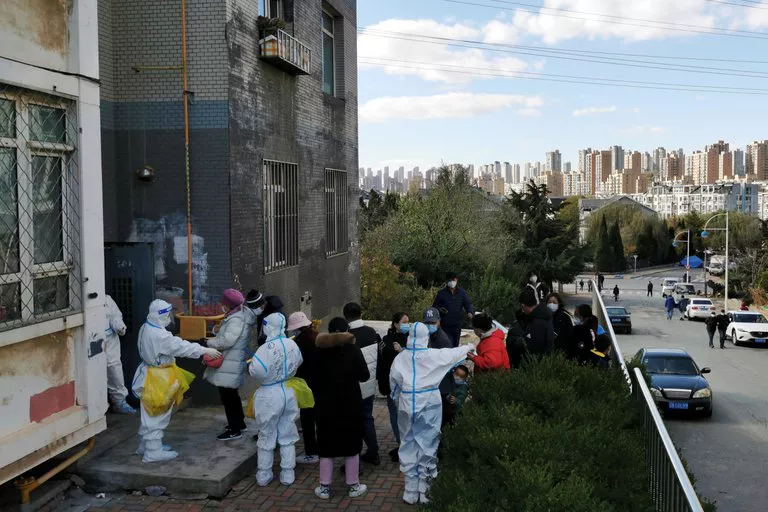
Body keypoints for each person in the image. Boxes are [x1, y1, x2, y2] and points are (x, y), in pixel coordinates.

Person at [390, 322, 475, 505]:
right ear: (425, 337)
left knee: (408, 442)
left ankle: (410, 491)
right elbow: (451, 354)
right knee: (428, 443)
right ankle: (425, 490)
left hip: (407, 402)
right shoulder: (432, 355)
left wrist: (398, 401)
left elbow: (394, 384)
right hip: (429, 402)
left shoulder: (400, 358)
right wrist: (468, 346)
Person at [132, 300, 222, 463]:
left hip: (149, 374)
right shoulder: (160, 336)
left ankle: (146, 446)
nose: (169, 318)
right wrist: (205, 350)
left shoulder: (146, 327)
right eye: (167, 315)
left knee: (148, 412)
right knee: (157, 414)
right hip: (159, 378)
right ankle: (153, 452)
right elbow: (181, 347)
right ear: (160, 316)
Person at [313, 318, 369, 500]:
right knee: (352, 443)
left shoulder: (319, 351)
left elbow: (312, 377)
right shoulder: (353, 350)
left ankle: (324, 487)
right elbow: (364, 375)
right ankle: (353, 485)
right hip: (350, 403)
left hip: (325, 404)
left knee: (326, 444)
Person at [248, 313, 303, 487]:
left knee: (266, 434)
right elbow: (299, 361)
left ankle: (264, 474)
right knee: (287, 432)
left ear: (268, 326)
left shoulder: (265, 349)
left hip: (269, 394)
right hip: (288, 390)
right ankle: (288, 473)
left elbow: (257, 370)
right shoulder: (292, 343)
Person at [204, 289, 257, 441]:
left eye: (223, 303)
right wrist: (217, 331)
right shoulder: (240, 313)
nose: (221, 305)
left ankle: (235, 430)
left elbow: (227, 341)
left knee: (228, 397)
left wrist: (209, 342)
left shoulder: (236, 319)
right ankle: (239, 424)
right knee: (232, 395)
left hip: (230, 362)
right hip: (233, 361)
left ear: (229, 304)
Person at [343, 302, 381, 466]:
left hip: (352, 387)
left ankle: (353, 458)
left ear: (346, 316)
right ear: (361, 314)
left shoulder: (347, 336)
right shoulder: (371, 332)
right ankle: (373, 452)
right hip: (369, 383)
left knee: (352, 423)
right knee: (367, 418)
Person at [287, 312, 320, 464]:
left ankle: (311, 452)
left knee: (307, 419)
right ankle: (322, 448)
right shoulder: (317, 336)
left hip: (306, 384)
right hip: (320, 383)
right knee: (319, 417)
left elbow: (295, 365)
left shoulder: (299, 342)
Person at [378, 312, 408, 463]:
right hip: (392, 386)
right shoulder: (386, 341)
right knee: (395, 415)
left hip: (406, 385)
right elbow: (383, 364)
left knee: (405, 415)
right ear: (396, 324)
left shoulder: (410, 339)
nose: (407, 325)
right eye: (404, 322)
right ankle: (401, 443)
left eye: (408, 322)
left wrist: (402, 351)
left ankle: (406, 445)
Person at [104, 294, 135, 414]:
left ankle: (119, 402)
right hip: (92, 340)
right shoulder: (85, 300)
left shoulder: (107, 300)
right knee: (93, 373)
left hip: (110, 340)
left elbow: (115, 315)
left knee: (114, 370)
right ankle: (99, 405)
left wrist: (118, 325)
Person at [432, 272, 474, 347]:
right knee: (447, 345)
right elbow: (434, 306)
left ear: (456, 279)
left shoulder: (462, 293)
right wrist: (440, 309)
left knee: (455, 345)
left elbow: (468, 304)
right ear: (446, 281)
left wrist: (470, 312)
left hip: (457, 325)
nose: (451, 282)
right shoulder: (441, 293)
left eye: (453, 280)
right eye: (449, 280)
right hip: (445, 325)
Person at [516, 290, 556, 357]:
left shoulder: (537, 322)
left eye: (522, 307)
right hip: (546, 358)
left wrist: (521, 343)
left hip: (538, 360)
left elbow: (534, 346)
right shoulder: (543, 315)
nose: (522, 311)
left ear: (523, 305)